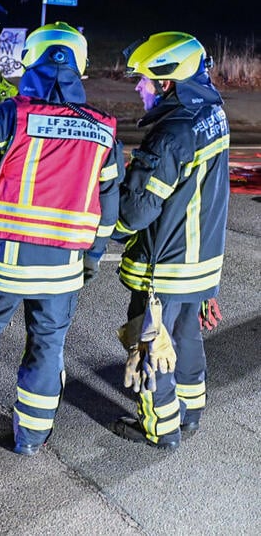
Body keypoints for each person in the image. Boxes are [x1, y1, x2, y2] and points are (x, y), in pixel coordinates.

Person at [0, 22, 123, 455]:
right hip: (65, 269)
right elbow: (108, 211)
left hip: (4, 262)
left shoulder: (6, 118)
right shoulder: (104, 133)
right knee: (48, 348)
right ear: (81, 66)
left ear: (30, 60)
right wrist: (92, 257)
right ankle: (30, 438)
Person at [110, 32, 229, 451]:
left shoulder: (172, 135)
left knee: (151, 345)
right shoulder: (211, 111)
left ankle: (160, 428)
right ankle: (190, 412)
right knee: (184, 337)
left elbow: (137, 211)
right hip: (199, 261)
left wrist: (105, 228)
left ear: (167, 83)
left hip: (165, 265)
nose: (139, 87)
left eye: (144, 80)